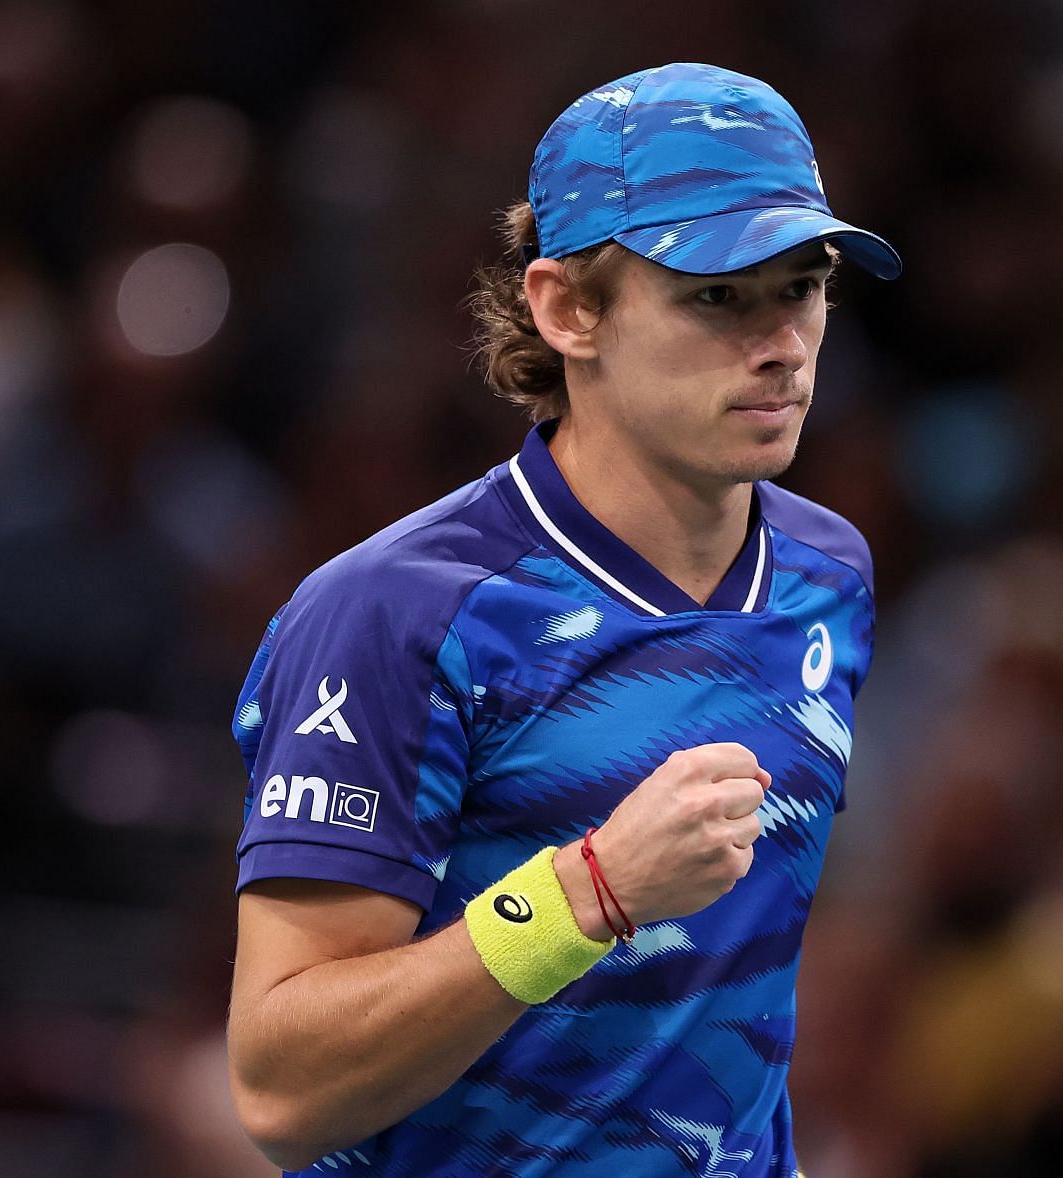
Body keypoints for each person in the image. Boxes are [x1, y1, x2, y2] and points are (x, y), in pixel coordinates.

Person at [225, 62, 901, 1176]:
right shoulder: (393, 616)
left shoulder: (829, 572)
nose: (781, 341)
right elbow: (281, 1087)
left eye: (803, 285)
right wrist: (589, 892)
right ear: (567, 308)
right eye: (717, 295)